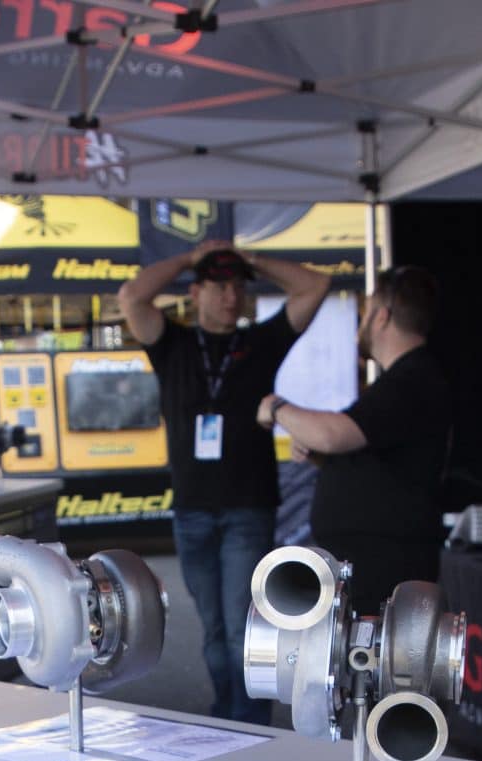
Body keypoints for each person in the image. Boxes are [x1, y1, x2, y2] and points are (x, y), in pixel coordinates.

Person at [119, 240, 330, 724]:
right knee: (213, 631)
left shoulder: (261, 342)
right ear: (195, 292)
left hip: (247, 507)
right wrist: (186, 259)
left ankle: (249, 725)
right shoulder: (172, 343)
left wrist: (253, 260)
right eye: (219, 286)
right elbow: (132, 297)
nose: (231, 296)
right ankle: (225, 719)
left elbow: (316, 285)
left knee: (241, 629)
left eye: (238, 286)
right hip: (192, 508)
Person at [258, 266, 451, 616]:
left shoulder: (411, 379)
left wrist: (276, 406)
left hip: (387, 564)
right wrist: (323, 457)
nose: (361, 324)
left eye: (366, 312)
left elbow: (334, 434)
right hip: (374, 559)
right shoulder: (402, 380)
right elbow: (374, 452)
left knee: (378, 650)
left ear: (382, 316)